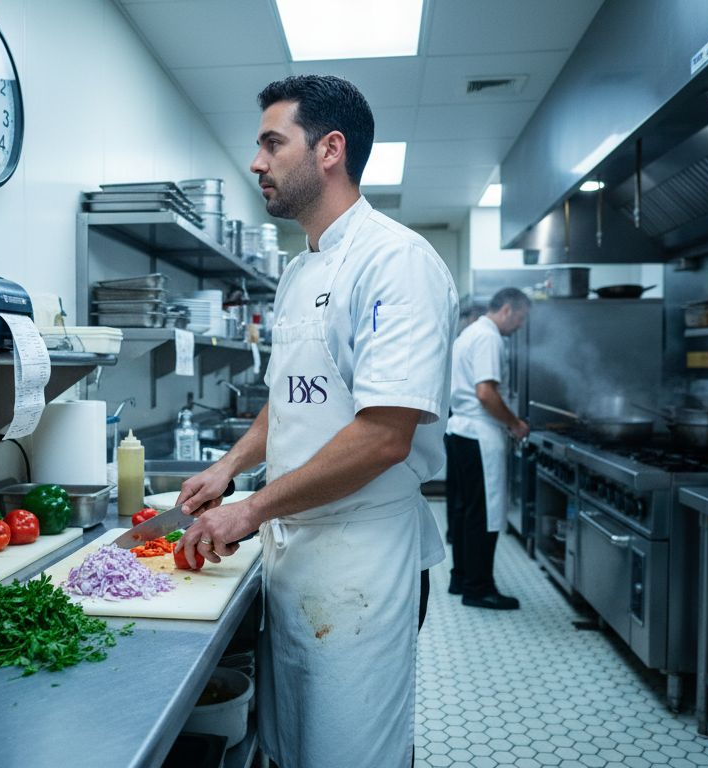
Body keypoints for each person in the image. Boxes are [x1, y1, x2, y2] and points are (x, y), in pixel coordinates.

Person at [174, 75, 457, 768]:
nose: (257, 162)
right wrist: (229, 467)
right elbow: (292, 395)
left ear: (330, 150)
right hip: (294, 551)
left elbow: (384, 436)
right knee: (293, 745)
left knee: (350, 752)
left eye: (273, 143)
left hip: (362, 559)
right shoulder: (301, 273)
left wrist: (250, 509)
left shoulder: (397, 263)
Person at [444, 287, 531, 609]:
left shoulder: (469, 333)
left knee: (464, 511)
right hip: (479, 434)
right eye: (520, 318)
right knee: (484, 514)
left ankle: (461, 578)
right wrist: (514, 423)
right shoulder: (489, 337)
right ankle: (479, 588)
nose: (520, 326)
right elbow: (486, 393)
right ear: (507, 309)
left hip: (460, 431)